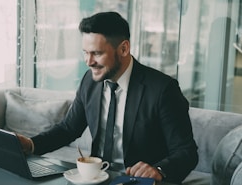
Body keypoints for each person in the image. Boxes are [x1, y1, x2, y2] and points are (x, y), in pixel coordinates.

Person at [17, 11, 198, 184]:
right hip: (98, 178)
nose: (88, 62)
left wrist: (158, 169)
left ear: (124, 49)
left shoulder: (163, 89)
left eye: (96, 53)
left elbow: (186, 152)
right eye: (85, 52)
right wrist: (31, 144)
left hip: (137, 181)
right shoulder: (90, 81)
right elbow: (68, 129)